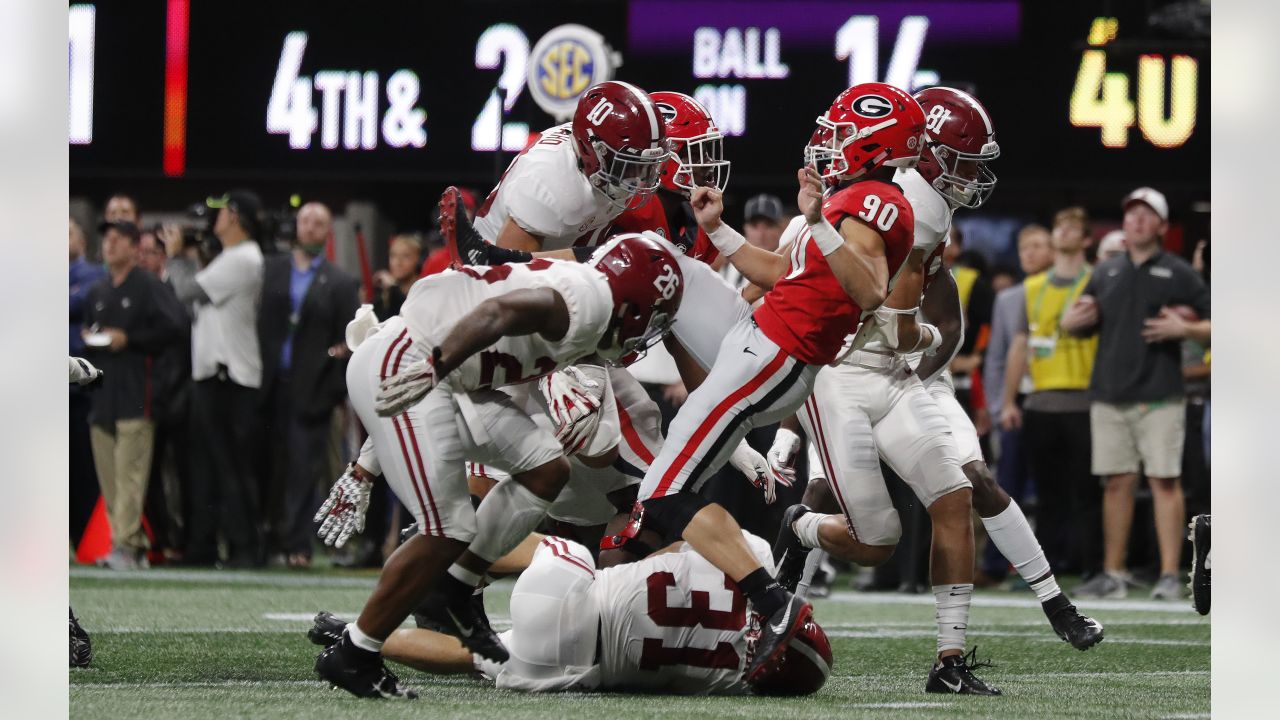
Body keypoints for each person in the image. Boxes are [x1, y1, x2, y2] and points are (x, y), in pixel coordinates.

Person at [313, 231, 684, 699]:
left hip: (446, 376)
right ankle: (356, 652)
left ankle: (455, 587)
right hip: (415, 365)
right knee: (446, 529)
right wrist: (434, 366)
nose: (645, 331)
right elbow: (497, 312)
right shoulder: (588, 309)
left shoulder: (593, 306)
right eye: (650, 318)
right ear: (630, 303)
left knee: (547, 468)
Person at [307, 532, 831, 697]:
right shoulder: (734, 684)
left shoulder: (756, 558)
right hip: (574, 665)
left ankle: (458, 555)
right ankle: (352, 636)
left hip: (576, 592)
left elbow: (674, 543)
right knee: (481, 660)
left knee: (562, 549)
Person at [1062, 187, 1211, 600]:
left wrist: (1187, 331)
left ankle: (1168, 574)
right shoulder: (1106, 271)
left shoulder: (1179, 271)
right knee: (1116, 483)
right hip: (1109, 393)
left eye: (1147, 215)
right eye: (1131, 214)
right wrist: (1070, 321)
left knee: (1165, 481)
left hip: (1161, 393)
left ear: (1162, 226)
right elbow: (1075, 322)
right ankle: (1114, 573)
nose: (1137, 220)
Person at [259, 202, 361, 568]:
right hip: (271, 385)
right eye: (306, 222)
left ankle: (298, 544)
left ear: (328, 231)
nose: (312, 229)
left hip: (313, 390)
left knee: (305, 470)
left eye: (320, 223)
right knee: (271, 467)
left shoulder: (340, 281)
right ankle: (268, 540)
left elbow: (350, 340)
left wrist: (332, 389)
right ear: (297, 227)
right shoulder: (273, 270)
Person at [1000, 209, 1101, 579]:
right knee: (1046, 494)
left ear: (1086, 239)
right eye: (1060, 225)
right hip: (1041, 401)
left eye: (1074, 228)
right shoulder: (1032, 287)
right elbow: (1019, 346)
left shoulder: (1098, 279)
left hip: (1085, 398)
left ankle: (1091, 566)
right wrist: (1009, 401)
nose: (1065, 232)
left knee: (1086, 492)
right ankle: (1046, 569)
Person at [82, 220, 185, 569]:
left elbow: (174, 327)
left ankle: (125, 545)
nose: (109, 245)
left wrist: (131, 338)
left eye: (117, 239)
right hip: (101, 396)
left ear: (132, 247)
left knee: (130, 475)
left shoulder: (147, 285)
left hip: (136, 395)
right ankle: (130, 543)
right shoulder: (98, 291)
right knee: (110, 477)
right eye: (106, 238)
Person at [173, 190, 267, 567]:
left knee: (229, 466)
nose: (215, 220)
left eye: (221, 213)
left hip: (231, 377)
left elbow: (185, 291)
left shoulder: (244, 258)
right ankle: (203, 545)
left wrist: (177, 255)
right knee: (207, 465)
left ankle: (245, 547)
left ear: (236, 217)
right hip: (214, 373)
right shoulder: (230, 258)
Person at [983, 224, 1052, 584]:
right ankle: (996, 565)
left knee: (1051, 484)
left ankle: (1057, 561)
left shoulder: (1065, 290)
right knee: (1005, 485)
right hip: (1016, 402)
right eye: (1025, 247)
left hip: (1054, 396)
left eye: (1039, 245)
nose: (1030, 253)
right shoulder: (1009, 297)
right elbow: (995, 357)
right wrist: (998, 406)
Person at [70, 218, 108, 543]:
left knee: (82, 465)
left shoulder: (93, 274)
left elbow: (77, 302)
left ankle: (84, 537)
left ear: (82, 241)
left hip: (78, 389)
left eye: (67, 231)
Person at [374, 233, 423, 319]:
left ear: (417, 258)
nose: (398, 262)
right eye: (393, 256)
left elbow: (409, 317)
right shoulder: (386, 292)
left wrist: (393, 287)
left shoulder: (422, 289)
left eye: (406, 256)